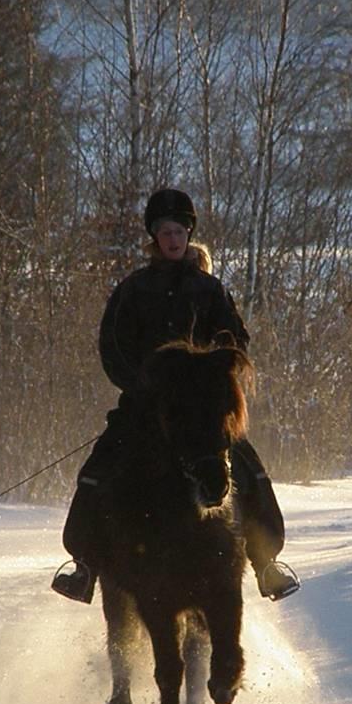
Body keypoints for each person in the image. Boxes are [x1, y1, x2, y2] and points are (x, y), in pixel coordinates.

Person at [53, 188, 299, 604]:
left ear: (189, 234)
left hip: (202, 412)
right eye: (165, 231)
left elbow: (236, 341)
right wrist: (143, 385)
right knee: (96, 471)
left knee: (250, 469)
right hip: (146, 408)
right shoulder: (132, 291)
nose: (172, 238)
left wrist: (211, 374)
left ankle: (265, 564)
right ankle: (86, 565)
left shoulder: (210, 291)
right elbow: (112, 348)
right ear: (154, 236)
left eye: (179, 230)